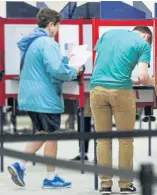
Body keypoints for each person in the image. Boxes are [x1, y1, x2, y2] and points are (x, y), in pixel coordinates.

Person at [7, 8, 82, 189]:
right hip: (45, 97)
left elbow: (45, 65)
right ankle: (44, 175)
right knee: (52, 135)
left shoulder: (33, 42)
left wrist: (63, 60)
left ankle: (26, 167)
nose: (57, 30)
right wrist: (73, 70)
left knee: (44, 132)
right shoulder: (48, 43)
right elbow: (56, 71)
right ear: (51, 25)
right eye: (57, 26)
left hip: (31, 95)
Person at [90, 26, 153, 194]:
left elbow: (98, 63)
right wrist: (154, 81)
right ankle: (125, 184)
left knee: (102, 139)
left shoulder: (107, 34)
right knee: (125, 140)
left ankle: (105, 185)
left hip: (96, 88)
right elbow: (142, 76)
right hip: (121, 91)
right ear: (147, 36)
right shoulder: (143, 45)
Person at [71, 96, 92, 161]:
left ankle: (99, 154)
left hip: (90, 95)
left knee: (85, 125)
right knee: (81, 126)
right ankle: (83, 153)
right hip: (81, 96)